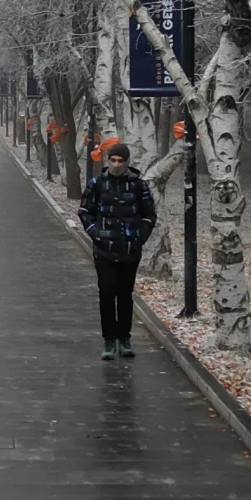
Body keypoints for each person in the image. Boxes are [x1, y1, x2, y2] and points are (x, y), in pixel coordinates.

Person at [77, 137, 158, 360]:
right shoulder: (97, 184)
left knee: (124, 294)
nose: (115, 164)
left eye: (119, 160)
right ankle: (109, 340)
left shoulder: (139, 186)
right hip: (104, 250)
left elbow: (149, 215)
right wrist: (96, 233)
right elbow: (85, 211)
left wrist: (139, 237)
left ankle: (124, 337)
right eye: (111, 160)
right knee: (107, 292)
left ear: (126, 161)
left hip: (130, 250)